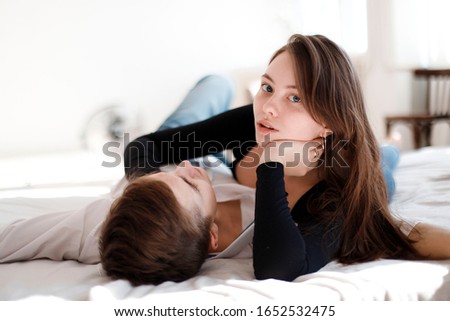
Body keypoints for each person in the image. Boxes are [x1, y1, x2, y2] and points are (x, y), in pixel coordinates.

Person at [102, 34, 450, 284]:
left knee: (382, 165)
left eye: (295, 98)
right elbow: (143, 147)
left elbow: (279, 267)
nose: (268, 107)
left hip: (362, 164)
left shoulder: (333, 194)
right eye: (267, 87)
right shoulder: (256, 122)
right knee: (215, 85)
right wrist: (152, 188)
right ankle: (216, 84)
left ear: (328, 121)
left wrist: (272, 162)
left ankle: (389, 145)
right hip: (223, 157)